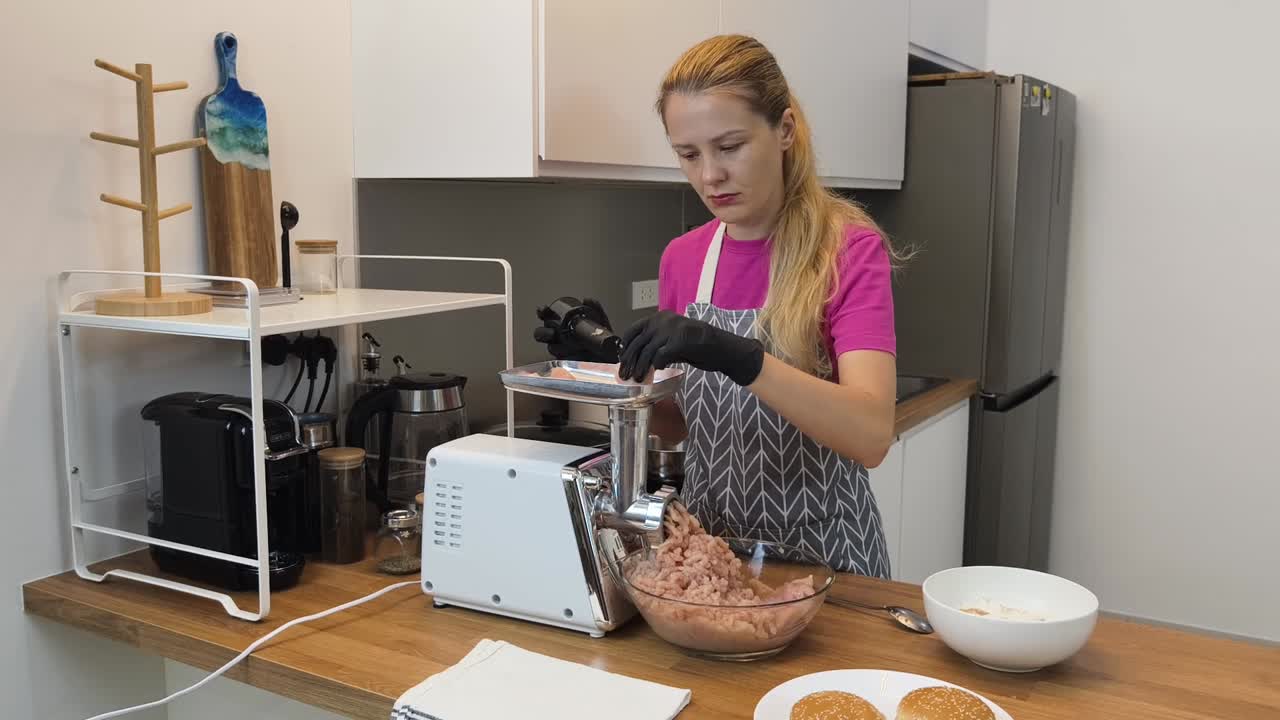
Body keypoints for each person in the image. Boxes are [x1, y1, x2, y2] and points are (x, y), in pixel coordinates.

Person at [536, 35, 903, 578]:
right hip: (712, 557)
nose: (709, 175)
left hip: (829, 560)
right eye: (689, 154)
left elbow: (871, 435)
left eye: (729, 146)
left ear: (783, 130)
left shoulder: (846, 249)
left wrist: (741, 358)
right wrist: (605, 366)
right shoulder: (684, 258)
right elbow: (682, 423)